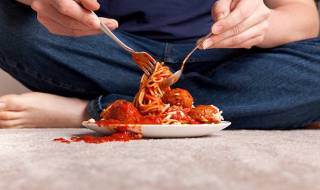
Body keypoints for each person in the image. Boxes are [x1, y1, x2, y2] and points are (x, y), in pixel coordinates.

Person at [0, 0, 319, 129]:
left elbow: (303, 17)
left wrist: (261, 26)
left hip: (222, 57)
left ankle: (96, 111)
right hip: (108, 51)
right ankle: (254, 104)